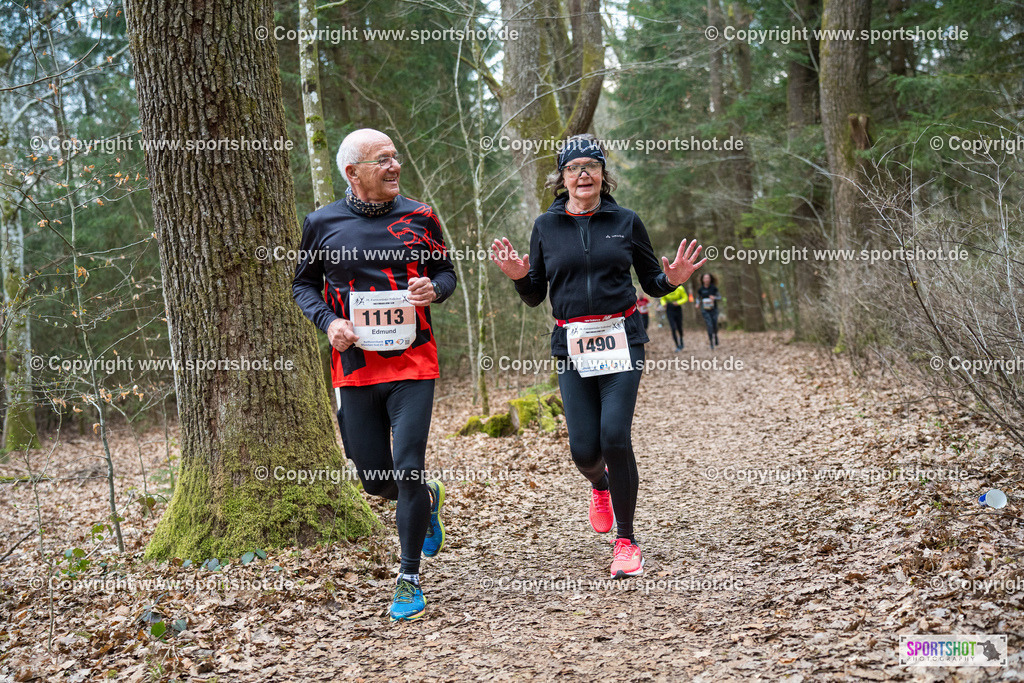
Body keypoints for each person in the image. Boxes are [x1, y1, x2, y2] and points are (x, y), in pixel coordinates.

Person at [491, 134, 705, 579]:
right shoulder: (545, 228)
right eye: (573, 168)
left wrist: (674, 280)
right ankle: (600, 485)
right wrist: (518, 277)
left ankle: (626, 541)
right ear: (562, 178)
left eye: (591, 166)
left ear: (604, 175)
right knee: (584, 450)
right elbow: (535, 295)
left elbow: (651, 282)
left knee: (614, 437)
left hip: (622, 338)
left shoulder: (626, 221)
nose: (583, 174)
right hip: (571, 346)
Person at [293, 128, 456, 622]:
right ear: (353, 173)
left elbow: (446, 272)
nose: (394, 166)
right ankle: (427, 500)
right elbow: (302, 286)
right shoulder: (322, 223)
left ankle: (408, 579)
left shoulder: (420, 215)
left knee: (406, 467)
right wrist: (330, 322)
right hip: (355, 367)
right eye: (381, 159)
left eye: (395, 155)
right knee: (375, 479)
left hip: (413, 362)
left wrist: (435, 289)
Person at [695, 272, 721, 350]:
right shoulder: (701, 289)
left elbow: (719, 297)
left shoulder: (714, 288)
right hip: (705, 310)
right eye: (705, 278)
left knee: (714, 324)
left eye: (708, 278)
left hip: (714, 309)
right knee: (709, 325)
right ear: (702, 280)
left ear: (710, 279)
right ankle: (711, 343)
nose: (706, 280)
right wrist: (697, 304)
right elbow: (698, 298)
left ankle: (715, 336)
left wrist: (714, 298)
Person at [659, 286, 687, 351]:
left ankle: (681, 341)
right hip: (669, 309)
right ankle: (677, 345)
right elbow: (662, 298)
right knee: (673, 328)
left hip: (677, 308)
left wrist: (678, 302)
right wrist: (664, 303)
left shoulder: (680, 288)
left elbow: (685, 298)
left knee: (679, 327)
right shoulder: (665, 287)